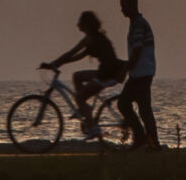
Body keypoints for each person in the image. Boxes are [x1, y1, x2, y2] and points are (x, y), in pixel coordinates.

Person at [41, 9, 126, 137]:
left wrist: (53, 63)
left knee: (79, 97)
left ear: (86, 24)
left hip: (107, 74)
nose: (78, 25)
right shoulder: (95, 38)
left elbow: (71, 53)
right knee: (77, 76)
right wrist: (56, 64)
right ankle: (84, 110)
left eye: (80, 22)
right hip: (106, 71)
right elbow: (75, 57)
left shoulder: (90, 39)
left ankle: (93, 128)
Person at [117, 0, 159, 148]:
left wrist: (125, 69)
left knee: (133, 106)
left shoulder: (139, 24)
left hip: (141, 73)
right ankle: (146, 139)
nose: (122, 10)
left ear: (132, 5)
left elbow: (137, 49)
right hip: (140, 72)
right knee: (139, 107)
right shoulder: (136, 23)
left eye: (124, 6)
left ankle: (147, 140)